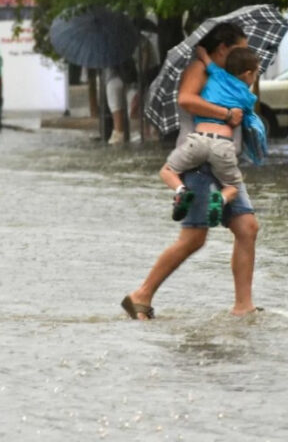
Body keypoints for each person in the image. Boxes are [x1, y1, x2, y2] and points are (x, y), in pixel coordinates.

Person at [122, 22, 258, 320]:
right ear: (222, 48)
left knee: (247, 228)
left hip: (225, 162)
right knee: (193, 238)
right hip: (199, 163)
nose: (245, 53)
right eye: (241, 48)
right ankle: (141, 295)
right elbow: (186, 99)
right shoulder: (199, 68)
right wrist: (226, 113)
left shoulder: (228, 77)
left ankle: (243, 306)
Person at [160, 46, 261, 227]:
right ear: (247, 75)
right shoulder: (247, 96)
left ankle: (181, 191)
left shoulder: (216, 76)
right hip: (223, 145)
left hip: (198, 140)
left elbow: (208, 62)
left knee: (167, 171)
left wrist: (202, 53)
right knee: (232, 187)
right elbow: (245, 120)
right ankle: (220, 199)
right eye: (256, 74)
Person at [105, 59, 138, 145]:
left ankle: (119, 137)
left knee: (119, 131)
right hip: (131, 80)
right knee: (135, 125)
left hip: (115, 78)